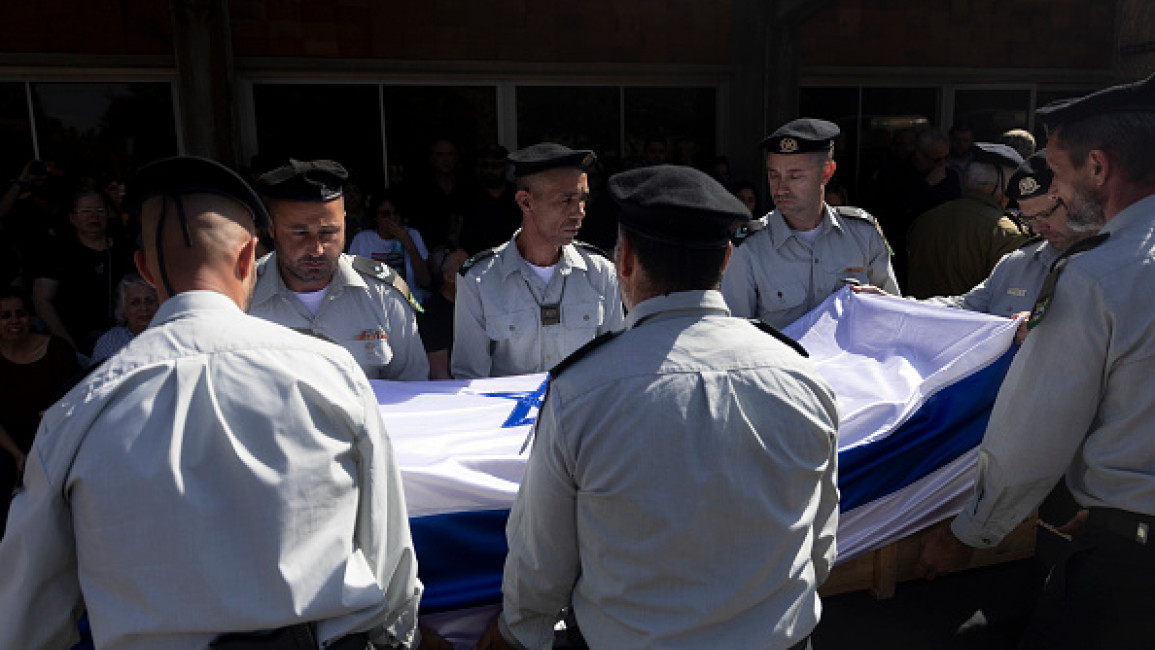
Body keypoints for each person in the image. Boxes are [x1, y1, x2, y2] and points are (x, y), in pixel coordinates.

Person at [0, 155, 424, 649]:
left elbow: (26, 611)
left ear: (144, 269)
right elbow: (389, 549)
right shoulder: (331, 374)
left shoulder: (79, 410)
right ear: (249, 259)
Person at [474, 165, 839, 650]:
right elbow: (820, 542)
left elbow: (543, 559)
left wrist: (519, 632)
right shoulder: (801, 377)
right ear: (727, 259)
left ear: (624, 260)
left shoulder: (580, 393)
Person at [918, 73, 1155, 648]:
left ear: (1097, 168)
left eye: (1058, 172)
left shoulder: (1097, 274)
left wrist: (971, 533)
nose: (1055, 190)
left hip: (1127, 570)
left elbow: (1036, 431)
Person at [451, 143, 624, 379]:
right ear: (526, 202)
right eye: (566, 201)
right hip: (512, 414)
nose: (580, 212)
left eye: (582, 199)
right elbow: (470, 380)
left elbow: (614, 368)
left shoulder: (601, 272)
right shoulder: (480, 279)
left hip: (581, 414)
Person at [249, 159, 429, 381]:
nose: (316, 249)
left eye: (328, 232)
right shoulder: (243, 294)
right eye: (300, 233)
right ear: (272, 229)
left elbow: (413, 388)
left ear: (344, 223)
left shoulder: (382, 294)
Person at [720, 118, 899, 329]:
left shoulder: (864, 234)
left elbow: (895, 315)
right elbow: (736, 332)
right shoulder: (749, 246)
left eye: (795, 176)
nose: (780, 188)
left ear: (826, 173)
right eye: (773, 175)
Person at [0, 286, 79, 538]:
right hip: (8, 445)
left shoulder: (57, 351)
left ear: (31, 317)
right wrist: (17, 455)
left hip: (51, 439)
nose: (14, 321)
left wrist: (37, 450)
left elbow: (70, 404)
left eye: (20, 314)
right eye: (6, 316)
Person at [906, 142, 1029, 299]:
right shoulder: (1005, 233)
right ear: (1005, 187)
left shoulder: (926, 219)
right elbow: (1010, 298)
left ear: (967, 178)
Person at [31, 188, 134, 357]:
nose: (94, 216)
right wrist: (63, 338)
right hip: (78, 340)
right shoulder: (59, 251)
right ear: (72, 218)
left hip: (123, 336)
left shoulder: (124, 248)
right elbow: (42, 299)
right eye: (86, 211)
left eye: (100, 211)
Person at [348, 190, 433, 303]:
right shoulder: (362, 239)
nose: (393, 218)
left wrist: (409, 244)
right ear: (376, 217)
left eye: (396, 213)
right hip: (373, 305)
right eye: (386, 214)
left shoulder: (413, 235)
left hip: (409, 304)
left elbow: (425, 281)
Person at [458, 144, 523, 256]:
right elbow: (455, 230)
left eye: (496, 166)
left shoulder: (517, 194)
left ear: (506, 166)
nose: (490, 170)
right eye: (485, 165)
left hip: (511, 257)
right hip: (474, 260)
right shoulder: (466, 194)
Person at [417, 246, 468, 380]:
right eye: (467, 267)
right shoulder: (431, 316)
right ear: (450, 277)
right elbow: (440, 374)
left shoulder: (480, 304)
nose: (476, 273)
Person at [90, 273, 159, 363]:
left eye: (149, 301)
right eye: (135, 302)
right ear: (123, 308)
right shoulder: (110, 342)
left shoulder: (169, 336)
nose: (144, 308)